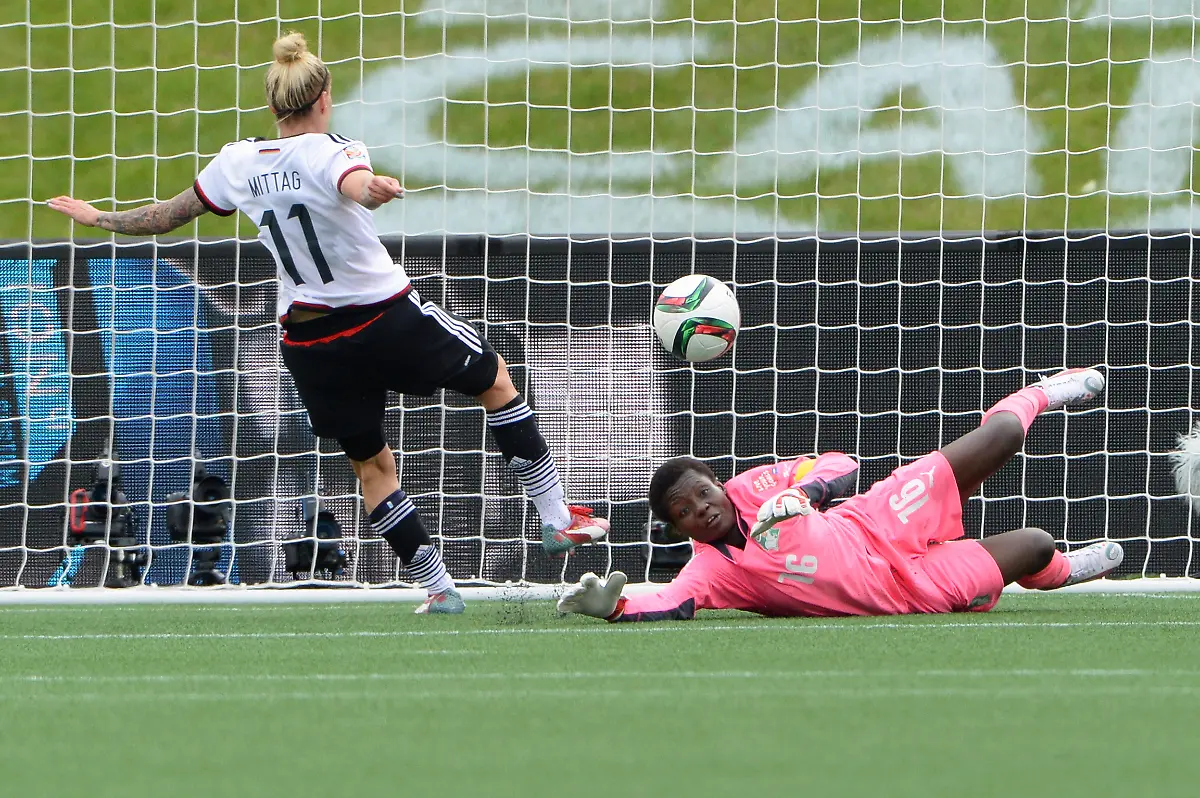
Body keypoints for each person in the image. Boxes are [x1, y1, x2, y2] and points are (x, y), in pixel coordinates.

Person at [49, 31, 608, 614]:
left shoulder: (237, 162)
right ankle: (557, 517)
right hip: (383, 316)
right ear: (324, 99)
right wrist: (375, 189)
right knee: (495, 382)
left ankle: (439, 590)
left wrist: (98, 217)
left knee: (372, 466)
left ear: (271, 107)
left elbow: (165, 216)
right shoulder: (334, 149)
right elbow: (353, 184)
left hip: (311, 340)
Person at [558, 367, 1124, 622]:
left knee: (998, 436)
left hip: (878, 518)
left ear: (717, 484)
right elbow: (671, 602)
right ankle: (1058, 570)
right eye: (684, 512)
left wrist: (802, 493)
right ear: (679, 529)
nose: (700, 508)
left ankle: (1043, 392)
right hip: (905, 590)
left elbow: (842, 465)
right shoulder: (714, 572)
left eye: (702, 493)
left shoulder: (755, 486)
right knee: (1034, 543)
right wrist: (616, 608)